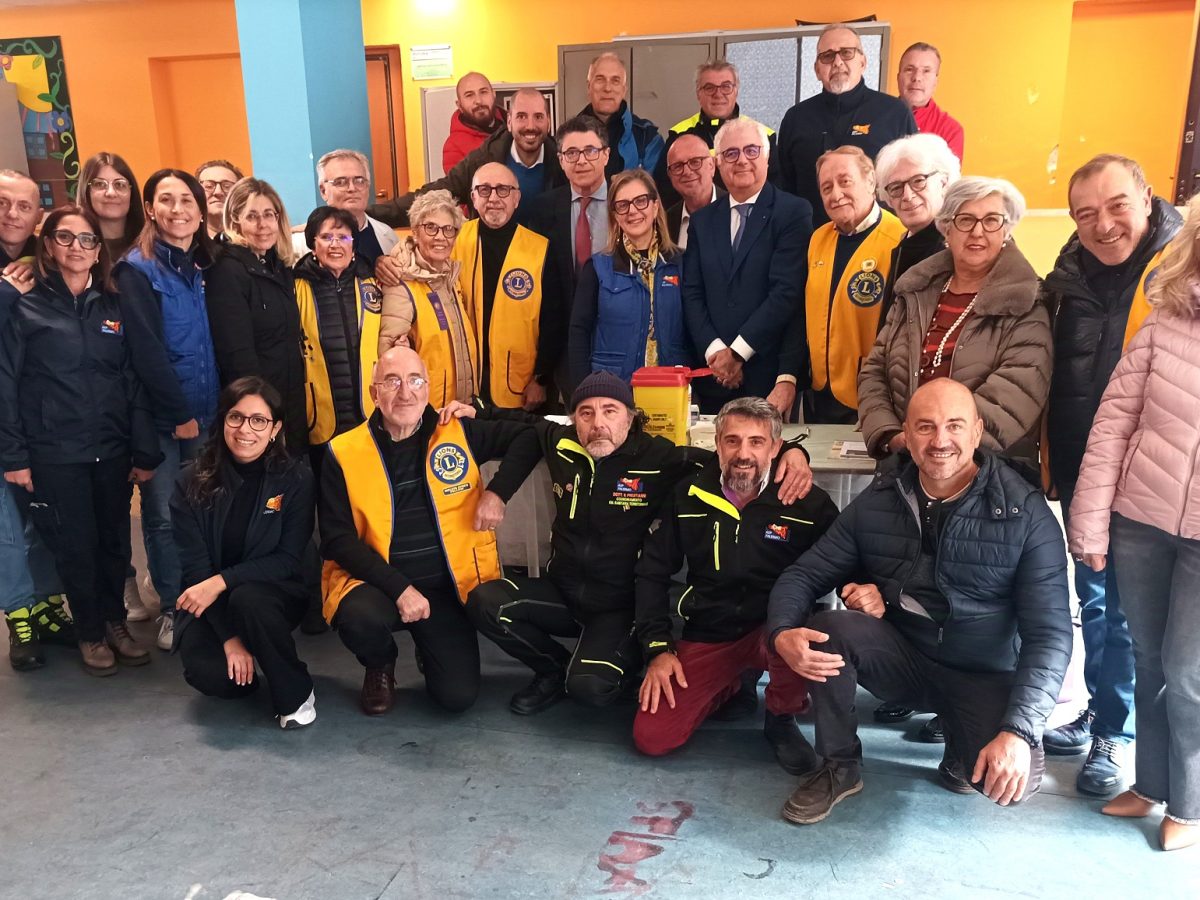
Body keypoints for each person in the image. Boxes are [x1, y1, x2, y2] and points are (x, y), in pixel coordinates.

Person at [768, 379, 1072, 823]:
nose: (940, 441)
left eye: (954, 426)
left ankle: (960, 741)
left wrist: (1019, 731)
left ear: (977, 431)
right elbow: (804, 574)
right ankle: (839, 766)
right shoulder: (879, 500)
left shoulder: (1024, 513)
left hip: (983, 672)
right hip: (906, 659)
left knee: (1009, 785)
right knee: (827, 630)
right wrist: (781, 632)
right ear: (906, 436)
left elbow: (1050, 635)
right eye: (925, 427)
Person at [461, 371, 815, 715]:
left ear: (630, 418)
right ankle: (552, 670)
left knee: (590, 688)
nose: (598, 423)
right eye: (586, 413)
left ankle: (611, 665)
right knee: (484, 602)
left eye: (610, 411)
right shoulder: (562, 442)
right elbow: (529, 426)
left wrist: (792, 452)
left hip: (620, 606)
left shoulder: (659, 457)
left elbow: (736, 461)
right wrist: (483, 431)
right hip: (563, 592)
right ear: (574, 420)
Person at [1041, 154, 1182, 795]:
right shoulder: (1067, 276)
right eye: (1086, 214)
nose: (1103, 226)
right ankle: (1101, 713)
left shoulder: (1178, 273)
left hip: (1153, 474)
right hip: (1082, 462)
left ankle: (1114, 735)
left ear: (1147, 198)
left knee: (1129, 615)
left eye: (1117, 205)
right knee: (1094, 599)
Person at [1067, 201, 1200, 851]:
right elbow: (1114, 424)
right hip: (1142, 521)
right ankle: (1149, 785)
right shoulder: (1165, 323)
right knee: (1147, 659)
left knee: (1188, 672)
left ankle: (1190, 804)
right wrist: (1090, 522)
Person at [319, 346, 533, 715]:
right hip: (377, 583)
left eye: (415, 381)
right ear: (373, 393)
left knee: (456, 698)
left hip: (445, 589)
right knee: (359, 618)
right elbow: (338, 540)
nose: (405, 393)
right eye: (392, 382)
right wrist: (400, 589)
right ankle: (379, 663)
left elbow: (530, 437)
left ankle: (428, 645)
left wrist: (498, 493)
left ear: (428, 387)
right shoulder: (343, 451)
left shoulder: (458, 431)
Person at [0, 206, 163, 676]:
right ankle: (89, 631)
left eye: (88, 239)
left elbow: (132, 382)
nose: (77, 247)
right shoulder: (26, 306)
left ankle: (115, 623)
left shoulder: (112, 306)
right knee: (76, 548)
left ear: (98, 251)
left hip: (111, 450)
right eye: (65, 237)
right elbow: (6, 384)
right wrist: (14, 455)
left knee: (114, 543)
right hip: (55, 453)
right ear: (48, 245)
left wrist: (142, 449)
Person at [633, 397, 838, 770]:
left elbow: (845, 558)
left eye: (756, 442)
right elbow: (652, 572)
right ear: (717, 443)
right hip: (711, 628)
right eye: (732, 441)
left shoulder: (806, 503)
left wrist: (863, 587)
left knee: (801, 636)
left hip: (776, 627)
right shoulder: (688, 495)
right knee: (653, 737)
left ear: (775, 448)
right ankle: (728, 683)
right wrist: (657, 648)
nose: (743, 454)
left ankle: (781, 717)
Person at [858, 177, 1051, 475]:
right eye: (965, 220)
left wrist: (937, 446)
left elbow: (1017, 393)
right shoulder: (915, 291)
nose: (977, 231)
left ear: (1007, 230)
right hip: (904, 463)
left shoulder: (1026, 301)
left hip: (987, 472)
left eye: (992, 220)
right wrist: (890, 434)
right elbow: (875, 370)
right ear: (946, 228)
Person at [113, 168, 219, 652]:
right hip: (164, 418)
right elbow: (146, 350)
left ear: (200, 210)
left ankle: (204, 600)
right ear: (150, 209)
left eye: (187, 200)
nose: (178, 209)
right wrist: (178, 414)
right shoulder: (136, 269)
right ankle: (174, 608)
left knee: (202, 512)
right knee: (161, 516)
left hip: (209, 411)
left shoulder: (204, 263)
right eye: (167, 200)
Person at [172, 377, 317, 728]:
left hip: (272, 593)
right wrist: (229, 639)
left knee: (249, 600)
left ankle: (296, 694)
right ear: (223, 420)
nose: (245, 430)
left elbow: (288, 559)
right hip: (210, 600)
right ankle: (252, 657)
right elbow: (196, 569)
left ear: (275, 429)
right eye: (236, 417)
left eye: (259, 420)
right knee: (214, 677)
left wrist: (222, 581)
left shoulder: (296, 479)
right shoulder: (190, 481)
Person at [681, 117, 812, 416]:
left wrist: (738, 353)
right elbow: (692, 292)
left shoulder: (793, 212)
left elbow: (786, 292)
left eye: (751, 150)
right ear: (718, 163)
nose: (741, 160)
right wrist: (716, 352)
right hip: (712, 376)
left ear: (767, 157)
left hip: (768, 375)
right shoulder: (702, 221)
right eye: (731, 153)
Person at [0, 171, 74, 670]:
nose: (12, 214)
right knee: (5, 526)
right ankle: (20, 616)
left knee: (43, 518)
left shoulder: (41, 266)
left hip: (40, 420)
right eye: (3, 203)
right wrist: (6, 293)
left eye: (23, 206)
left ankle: (47, 605)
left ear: (37, 217)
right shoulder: (13, 282)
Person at [801, 146, 905, 424]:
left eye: (845, 181)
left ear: (871, 181)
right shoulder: (818, 239)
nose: (836, 195)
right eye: (826, 188)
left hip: (871, 399)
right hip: (820, 394)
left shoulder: (899, 239)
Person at [206, 178, 308, 456]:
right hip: (258, 406)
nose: (263, 225)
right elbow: (236, 353)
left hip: (290, 396)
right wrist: (259, 410)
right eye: (252, 216)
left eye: (269, 215)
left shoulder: (279, 266)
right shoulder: (227, 269)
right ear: (236, 221)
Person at [777, 24, 916, 225]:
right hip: (810, 237)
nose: (837, 62)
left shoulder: (894, 113)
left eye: (846, 53)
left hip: (881, 236)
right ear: (817, 70)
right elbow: (785, 189)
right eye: (827, 56)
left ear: (863, 62)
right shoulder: (796, 118)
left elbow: (911, 182)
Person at [369, 88, 564, 230]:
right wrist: (368, 215)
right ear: (509, 122)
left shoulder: (563, 164)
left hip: (547, 263)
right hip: (492, 262)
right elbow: (433, 195)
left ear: (548, 121)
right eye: (521, 116)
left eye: (538, 117)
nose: (530, 126)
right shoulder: (483, 160)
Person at [451, 163, 561, 410]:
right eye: (484, 190)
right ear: (473, 198)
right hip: (464, 383)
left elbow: (553, 322)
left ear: (516, 198)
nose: (493, 198)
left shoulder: (540, 249)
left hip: (520, 386)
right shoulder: (453, 241)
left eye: (503, 190)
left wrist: (541, 379)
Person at [569, 169, 689, 385]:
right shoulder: (598, 267)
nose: (632, 211)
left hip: (670, 386)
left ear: (655, 206)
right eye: (622, 205)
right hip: (612, 388)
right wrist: (584, 390)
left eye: (641, 201)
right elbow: (579, 332)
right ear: (615, 215)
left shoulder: (680, 263)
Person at [522, 116, 613, 398]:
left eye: (590, 151)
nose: (581, 160)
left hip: (616, 335)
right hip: (564, 345)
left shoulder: (626, 202)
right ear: (561, 160)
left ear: (606, 155)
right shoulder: (542, 209)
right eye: (571, 153)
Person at [294, 205, 383, 454]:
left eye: (343, 237)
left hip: (370, 410)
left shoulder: (373, 283)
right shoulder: (296, 287)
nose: (335, 245)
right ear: (313, 245)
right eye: (326, 237)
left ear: (353, 244)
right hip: (320, 415)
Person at [376, 190, 477, 408]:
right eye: (431, 227)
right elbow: (390, 363)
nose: (440, 237)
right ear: (415, 231)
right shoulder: (401, 283)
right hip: (426, 411)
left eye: (448, 229)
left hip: (458, 408)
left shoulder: (450, 277)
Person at [659, 59, 778, 206]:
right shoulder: (679, 135)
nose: (718, 94)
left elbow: (775, 190)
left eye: (726, 87)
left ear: (736, 91)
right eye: (709, 88)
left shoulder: (762, 135)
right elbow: (665, 191)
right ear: (698, 94)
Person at [872, 133, 960, 325]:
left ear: (943, 182)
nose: (907, 195)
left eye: (918, 181)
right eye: (896, 187)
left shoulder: (960, 245)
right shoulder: (906, 244)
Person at [576, 52, 664, 182]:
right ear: (589, 87)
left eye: (615, 81)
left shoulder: (647, 137)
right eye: (600, 79)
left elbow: (654, 190)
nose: (607, 88)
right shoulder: (569, 135)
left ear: (624, 90)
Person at [315, 149, 399, 266]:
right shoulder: (304, 243)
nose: (352, 188)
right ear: (323, 191)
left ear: (368, 186)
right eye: (341, 182)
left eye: (359, 181)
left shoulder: (388, 235)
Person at [896, 43, 964, 161]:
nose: (917, 77)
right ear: (898, 77)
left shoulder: (950, 129)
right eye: (909, 69)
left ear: (935, 81)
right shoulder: (877, 116)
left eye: (926, 71)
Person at [79, 151, 145, 262]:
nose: (111, 193)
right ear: (86, 192)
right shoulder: (75, 249)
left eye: (119, 184)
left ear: (132, 193)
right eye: (99, 184)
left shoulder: (154, 246)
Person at [663, 135, 722, 250]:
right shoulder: (665, 223)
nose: (687, 172)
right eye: (677, 166)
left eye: (695, 162)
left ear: (712, 165)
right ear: (670, 175)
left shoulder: (738, 212)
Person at [443, 71, 506, 174]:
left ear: (493, 94)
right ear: (459, 105)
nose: (478, 101)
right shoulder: (453, 147)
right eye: (469, 95)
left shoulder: (515, 129)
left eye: (483, 92)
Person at [195, 159, 244, 242]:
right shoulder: (185, 241)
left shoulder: (255, 241)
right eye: (209, 186)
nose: (218, 192)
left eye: (227, 186)